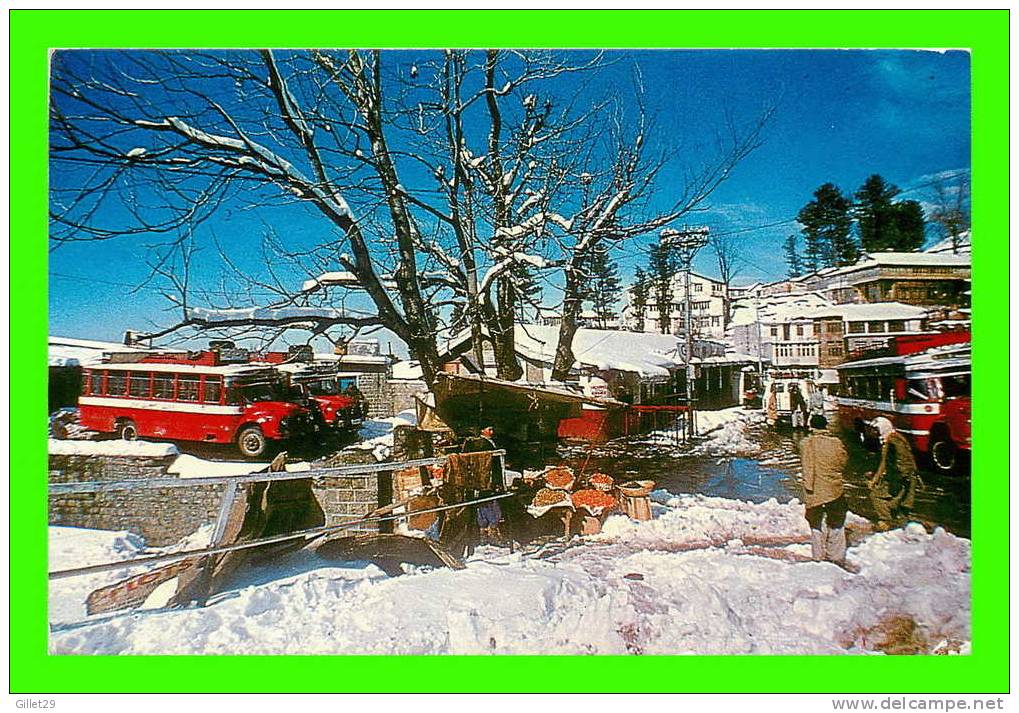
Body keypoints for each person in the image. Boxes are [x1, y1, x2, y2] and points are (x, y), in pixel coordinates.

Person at [799, 414, 849, 567]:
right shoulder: (836, 443)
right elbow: (843, 462)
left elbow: (806, 464)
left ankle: (818, 556)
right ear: (826, 426)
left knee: (815, 523)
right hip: (834, 489)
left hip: (813, 490)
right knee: (837, 521)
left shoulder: (805, 443)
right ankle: (836, 556)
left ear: (811, 426)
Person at [866, 416, 921, 531]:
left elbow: (884, 462)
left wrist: (874, 480)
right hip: (907, 477)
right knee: (899, 501)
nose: (874, 432)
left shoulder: (891, 442)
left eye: (876, 430)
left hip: (900, 478)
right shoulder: (897, 438)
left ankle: (885, 521)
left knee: (876, 495)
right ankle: (898, 521)